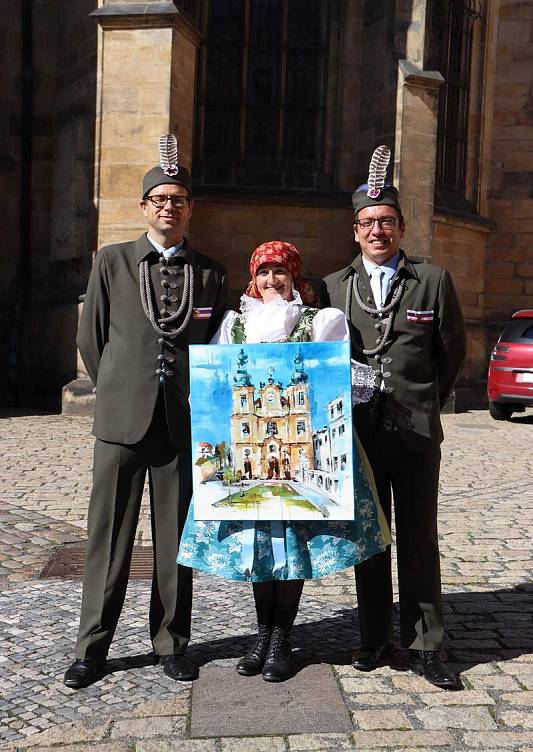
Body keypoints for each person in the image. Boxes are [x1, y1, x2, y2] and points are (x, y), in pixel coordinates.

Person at [177, 240, 390, 683]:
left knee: (292, 548)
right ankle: (262, 635)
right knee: (259, 548)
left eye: (281, 273)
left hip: (295, 451)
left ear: (296, 279)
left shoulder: (320, 321)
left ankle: (282, 639)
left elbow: (343, 382)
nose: (272, 281)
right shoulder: (236, 325)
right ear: (252, 279)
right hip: (250, 448)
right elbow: (210, 386)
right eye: (263, 273)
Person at [63, 135, 227, 688]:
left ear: (189, 208)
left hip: (181, 424)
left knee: (176, 540)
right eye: (159, 198)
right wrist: (121, 386)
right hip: (122, 422)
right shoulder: (111, 262)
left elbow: (217, 346)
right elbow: (92, 340)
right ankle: (92, 648)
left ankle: (171, 642)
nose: (168, 207)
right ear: (144, 207)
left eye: (177, 199)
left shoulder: (210, 273)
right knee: (108, 537)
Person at [320, 146, 467, 690]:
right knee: (370, 535)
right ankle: (374, 637)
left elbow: (452, 354)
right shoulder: (333, 286)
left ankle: (426, 643)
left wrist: (425, 399)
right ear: (354, 231)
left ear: (401, 227)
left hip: (415, 430)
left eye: (386, 221)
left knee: (420, 538)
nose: (377, 230)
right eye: (367, 223)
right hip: (357, 432)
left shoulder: (432, 281)